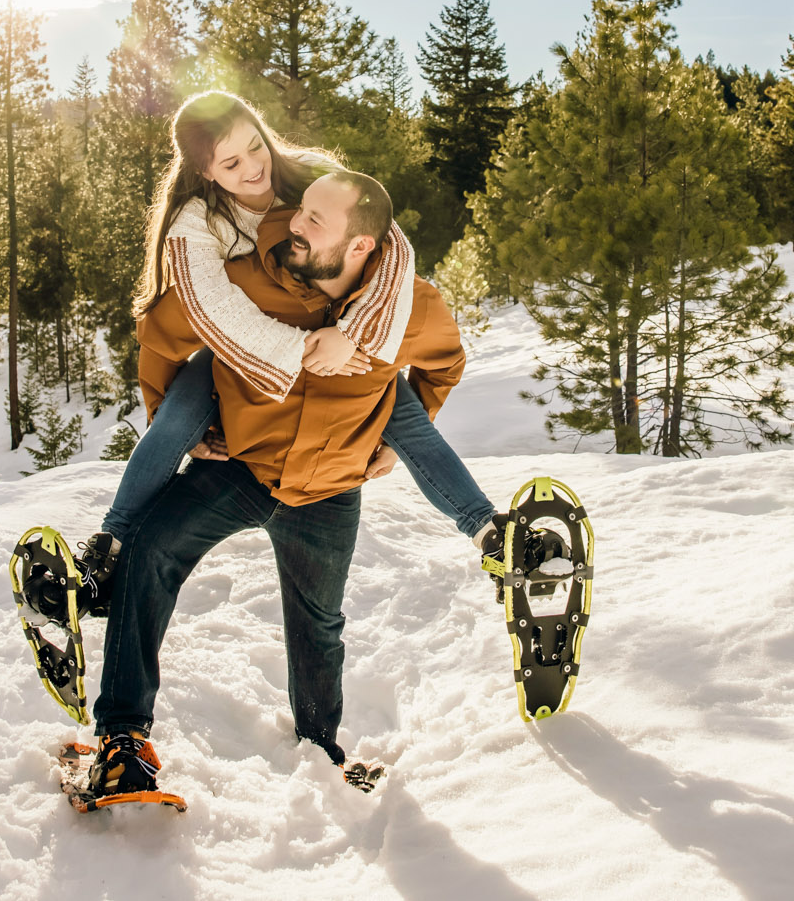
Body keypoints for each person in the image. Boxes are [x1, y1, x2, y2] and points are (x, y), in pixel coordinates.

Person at [80, 169, 467, 802]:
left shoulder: (413, 308)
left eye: (317, 221)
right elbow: (162, 332)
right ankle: (121, 738)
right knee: (148, 554)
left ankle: (321, 751)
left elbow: (445, 363)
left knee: (318, 626)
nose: (295, 225)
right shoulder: (246, 282)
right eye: (300, 211)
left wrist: (391, 440)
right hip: (238, 469)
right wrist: (169, 419)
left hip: (329, 489)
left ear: (362, 245)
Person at [67, 91, 497, 614]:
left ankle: (490, 533)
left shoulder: (311, 174)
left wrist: (354, 334)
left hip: (340, 339)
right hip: (240, 351)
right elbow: (210, 314)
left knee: (394, 398)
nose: (253, 168)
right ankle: (108, 550)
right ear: (205, 171)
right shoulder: (195, 225)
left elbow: (390, 247)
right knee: (180, 408)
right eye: (231, 162)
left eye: (255, 146)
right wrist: (297, 354)